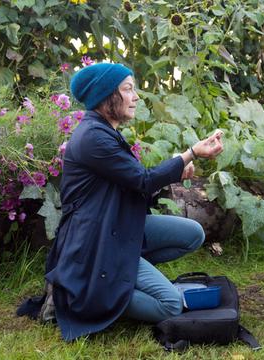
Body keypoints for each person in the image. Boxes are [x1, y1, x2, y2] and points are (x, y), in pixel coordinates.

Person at [33, 63, 223, 341]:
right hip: (96, 242)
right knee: (169, 304)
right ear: (106, 95)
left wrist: (176, 168)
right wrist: (190, 153)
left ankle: (115, 276)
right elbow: (143, 180)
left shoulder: (103, 131)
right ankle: (96, 294)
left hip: (118, 228)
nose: (135, 97)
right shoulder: (93, 137)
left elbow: (135, 184)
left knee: (193, 234)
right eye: (128, 89)